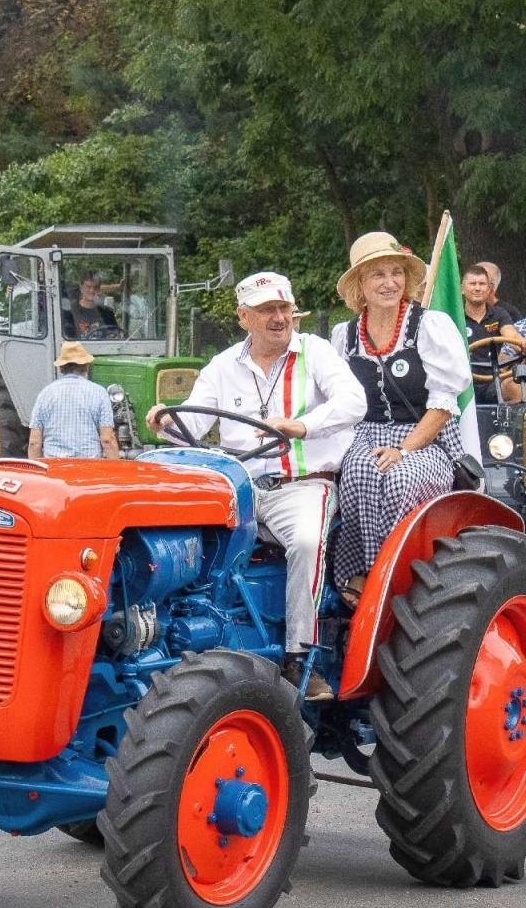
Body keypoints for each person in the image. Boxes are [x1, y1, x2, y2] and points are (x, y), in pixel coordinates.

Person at [146, 271, 366, 701]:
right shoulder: (223, 365)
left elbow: (353, 401)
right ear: (243, 317)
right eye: (267, 310)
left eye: (284, 308)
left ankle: (300, 656)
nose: (279, 317)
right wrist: (166, 420)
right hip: (240, 487)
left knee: (305, 541)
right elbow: (193, 423)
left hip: (302, 485)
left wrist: (302, 425)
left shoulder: (316, 352)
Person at [330, 231, 471, 607]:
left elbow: (442, 405)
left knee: (400, 479)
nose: (389, 282)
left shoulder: (429, 326)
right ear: (360, 284)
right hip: (365, 433)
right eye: (377, 274)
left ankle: (396, 576)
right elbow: (337, 399)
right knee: (358, 473)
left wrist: (404, 449)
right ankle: (366, 569)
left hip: (425, 435)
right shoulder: (345, 335)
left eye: (396, 273)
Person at [27, 342, 121, 459]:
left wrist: (37, 468)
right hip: (89, 465)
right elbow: (107, 439)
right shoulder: (99, 393)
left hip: (54, 465)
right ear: (86, 366)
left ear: (61, 368)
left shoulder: (45, 394)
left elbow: (34, 443)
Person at [461, 264, 525, 404]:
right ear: (462, 289)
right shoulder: (454, 316)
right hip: (461, 382)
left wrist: (522, 344)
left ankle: (514, 418)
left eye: (482, 284)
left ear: (489, 289)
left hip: (493, 380)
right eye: (473, 284)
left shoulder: (499, 314)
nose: (477, 288)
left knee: (515, 386)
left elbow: (511, 335)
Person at [61, 272, 119, 338]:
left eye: (95, 287)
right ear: (81, 288)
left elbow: (115, 335)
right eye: (88, 287)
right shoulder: (70, 312)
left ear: (99, 289)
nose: (92, 290)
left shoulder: (107, 313)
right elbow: (67, 338)